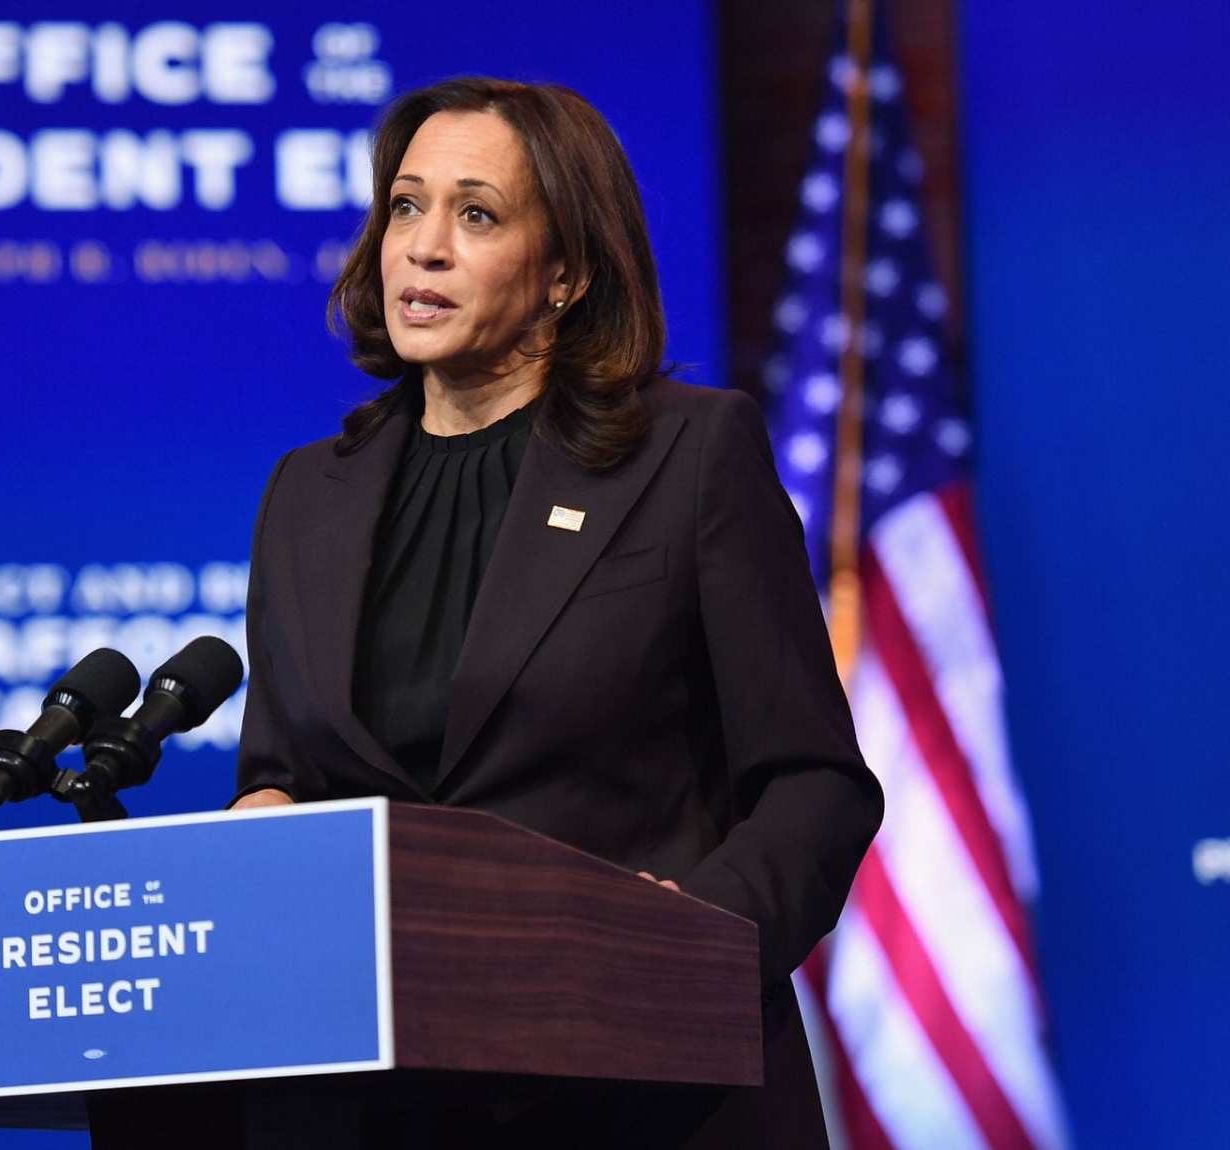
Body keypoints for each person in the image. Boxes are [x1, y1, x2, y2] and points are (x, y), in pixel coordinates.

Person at [224, 77, 884, 1148]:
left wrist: (696, 936)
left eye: (475, 214)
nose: (422, 249)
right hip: (379, 1101)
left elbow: (814, 782)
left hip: (640, 1088)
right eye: (405, 206)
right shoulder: (309, 491)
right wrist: (265, 814)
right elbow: (285, 771)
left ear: (568, 272)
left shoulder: (687, 457)